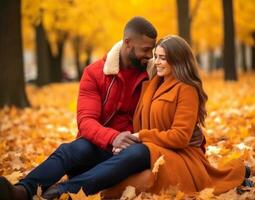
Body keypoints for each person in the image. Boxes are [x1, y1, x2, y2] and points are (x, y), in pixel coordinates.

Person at [0, 16, 156, 200]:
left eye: (152, 50)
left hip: (131, 154)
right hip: (98, 147)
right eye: (145, 50)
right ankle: (23, 191)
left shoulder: (153, 75)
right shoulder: (95, 73)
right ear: (128, 43)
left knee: (139, 153)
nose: (149, 56)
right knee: (72, 149)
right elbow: (86, 122)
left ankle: (62, 192)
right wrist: (113, 138)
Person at [102, 35, 252, 198]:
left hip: (177, 156)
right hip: (151, 151)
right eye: (156, 57)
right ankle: (79, 186)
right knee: (115, 182)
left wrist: (140, 137)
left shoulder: (187, 89)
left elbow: (180, 137)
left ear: (178, 60)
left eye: (163, 58)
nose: (157, 62)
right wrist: (126, 141)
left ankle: (237, 175)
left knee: (118, 190)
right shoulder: (152, 85)